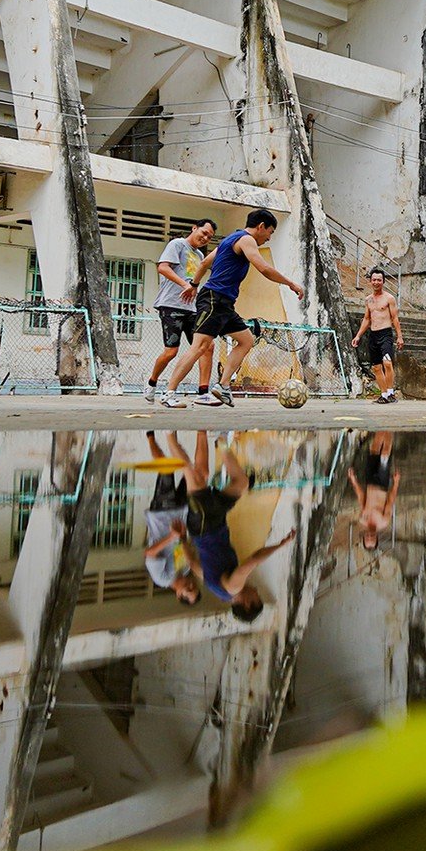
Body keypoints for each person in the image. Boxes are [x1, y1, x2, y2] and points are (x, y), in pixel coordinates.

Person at [158, 208, 306, 408]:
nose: (269, 238)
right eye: (270, 232)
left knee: (246, 340)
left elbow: (204, 262)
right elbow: (263, 268)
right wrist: (291, 284)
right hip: (214, 299)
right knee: (199, 347)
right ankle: (169, 393)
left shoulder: (229, 240)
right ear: (261, 226)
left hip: (224, 302)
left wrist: (193, 285)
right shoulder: (246, 240)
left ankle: (223, 385)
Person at [182, 430, 295, 620]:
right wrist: (181, 539)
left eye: (256, 596)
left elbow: (253, 560)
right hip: (208, 526)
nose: (257, 590)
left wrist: (281, 544)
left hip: (207, 526)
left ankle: (175, 435)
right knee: (240, 482)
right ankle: (219, 440)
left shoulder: (233, 588)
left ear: (247, 603)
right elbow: (194, 565)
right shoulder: (216, 589)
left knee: (195, 476)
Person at [146, 219, 216, 402]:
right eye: (204, 232)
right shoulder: (177, 244)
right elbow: (162, 267)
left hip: (192, 309)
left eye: (210, 236)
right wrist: (186, 284)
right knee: (171, 352)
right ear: (194, 228)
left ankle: (203, 392)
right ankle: (152, 383)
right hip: (171, 305)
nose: (206, 237)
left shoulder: (200, 255)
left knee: (207, 346)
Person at [141, 433, 201, 604]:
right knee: (191, 472)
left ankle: (151, 437)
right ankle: (174, 437)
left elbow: (150, 553)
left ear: (178, 594)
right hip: (181, 511)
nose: (190, 584)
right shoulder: (186, 567)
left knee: (166, 469)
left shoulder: (162, 578)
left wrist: (171, 537)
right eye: (193, 586)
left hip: (162, 513)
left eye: (188, 589)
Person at [351, 268, 401, 403]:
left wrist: (399, 336)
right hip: (373, 335)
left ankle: (391, 393)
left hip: (386, 334)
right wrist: (358, 336)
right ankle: (383, 395)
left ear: (383, 281)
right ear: (370, 281)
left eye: (379, 280)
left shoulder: (389, 298)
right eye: (374, 280)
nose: (376, 282)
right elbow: (367, 319)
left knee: (388, 363)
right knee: (377, 367)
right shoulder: (368, 300)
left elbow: (395, 318)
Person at [348, 430, 398, 550]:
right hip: (382, 483)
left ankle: (382, 426)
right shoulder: (384, 521)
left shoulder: (362, 519)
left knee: (374, 449)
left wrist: (354, 480)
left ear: (364, 537)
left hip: (370, 483)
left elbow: (361, 498)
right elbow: (390, 501)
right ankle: (391, 428)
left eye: (367, 539)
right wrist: (396, 482)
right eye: (372, 539)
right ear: (377, 538)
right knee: (385, 454)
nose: (370, 536)